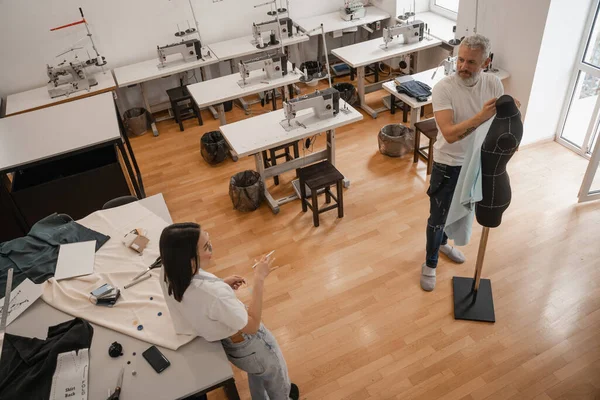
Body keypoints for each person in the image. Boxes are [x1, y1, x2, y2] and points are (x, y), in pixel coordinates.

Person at [158, 223, 299, 400]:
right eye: (206, 247)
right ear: (190, 260)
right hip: (249, 342)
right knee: (275, 374)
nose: (212, 249)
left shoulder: (168, 272)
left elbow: (201, 301)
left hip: (232, 344)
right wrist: (259, 279)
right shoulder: (214, 296)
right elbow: (253, 325)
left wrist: (221, 284)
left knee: (257, 371)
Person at [421, 34, 514, 291]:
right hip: (447, 162)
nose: (463, 66)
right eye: (460, 59)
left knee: (462, 210)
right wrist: (481, 116)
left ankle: (443, 244)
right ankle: (430, 263)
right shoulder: (444, 88)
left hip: (475, 162)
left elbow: (499, 123)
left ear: (486, 62)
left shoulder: (494, 84)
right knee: (438, 216)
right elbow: (449, 134)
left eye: (471, 62)